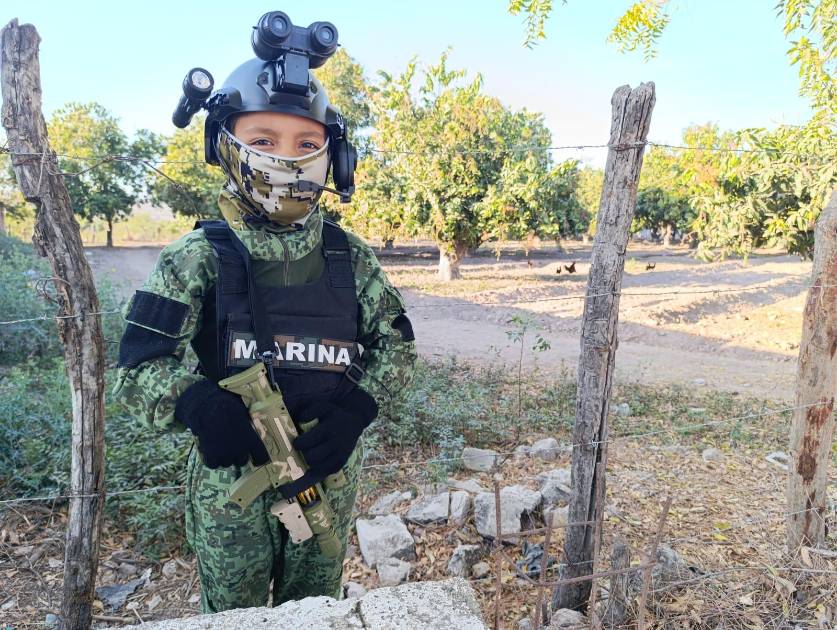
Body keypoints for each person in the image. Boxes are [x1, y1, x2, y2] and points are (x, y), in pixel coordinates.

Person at [113, 25, 417, 612]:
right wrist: (196, 405)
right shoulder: (196, 257)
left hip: (326, 477)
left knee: (316, 610)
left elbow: (397, 347)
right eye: (263, 138)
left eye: (307, 143)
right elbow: (136, 367)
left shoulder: (351, 257)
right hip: (233, 486)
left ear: (334, 157)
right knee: (235, 616)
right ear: (225, 145)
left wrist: (355, 412)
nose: (285, 157)